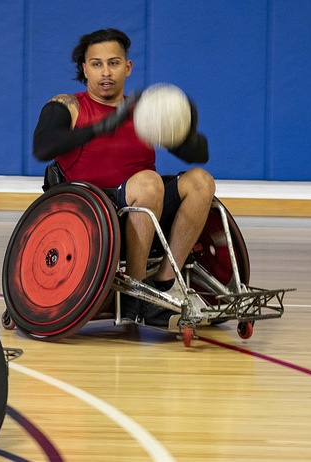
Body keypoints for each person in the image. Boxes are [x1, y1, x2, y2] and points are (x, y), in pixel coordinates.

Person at [33, 28, 215, 328]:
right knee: (148, 183)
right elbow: (43, 146)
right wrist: (101, 127)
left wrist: (184, 124)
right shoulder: (69, 105)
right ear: (85, 69)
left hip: (146, 201)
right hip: (93, 209)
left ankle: (165, 282)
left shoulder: (145, 112)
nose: (106, 72)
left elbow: (200, 154)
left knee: (201, 181)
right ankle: (135, 289)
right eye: (97, 64)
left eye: (114, 63)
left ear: (127, 67)